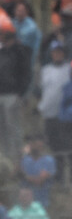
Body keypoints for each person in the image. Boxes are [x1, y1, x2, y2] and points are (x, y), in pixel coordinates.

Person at [0, 17, 33, 160]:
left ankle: (17, 160)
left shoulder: (19, 52)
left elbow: (26, 74)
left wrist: (21, 93)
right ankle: (5, 159)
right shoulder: (2, 52)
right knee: (3, 130)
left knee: (14, 128)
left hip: (13, 94)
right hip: (1, 94)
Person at [36, 41, 70, 153]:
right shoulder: (46, 70)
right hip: (49, 115)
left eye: (59, 52)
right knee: (51, 145)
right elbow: (43, 91)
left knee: (64, 145)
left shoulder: (69, 69)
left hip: (64, 115)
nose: (57, 54)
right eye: (55, 52)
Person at [20, 135, 57, 207]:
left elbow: (39, 181)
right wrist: (21, 155)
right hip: (24, 202)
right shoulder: (25, 159)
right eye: (31, 143)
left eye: (34, 143)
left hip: (42, 201)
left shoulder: (48, 160)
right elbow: (13, 175)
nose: (31, 145)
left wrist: (24, 176)